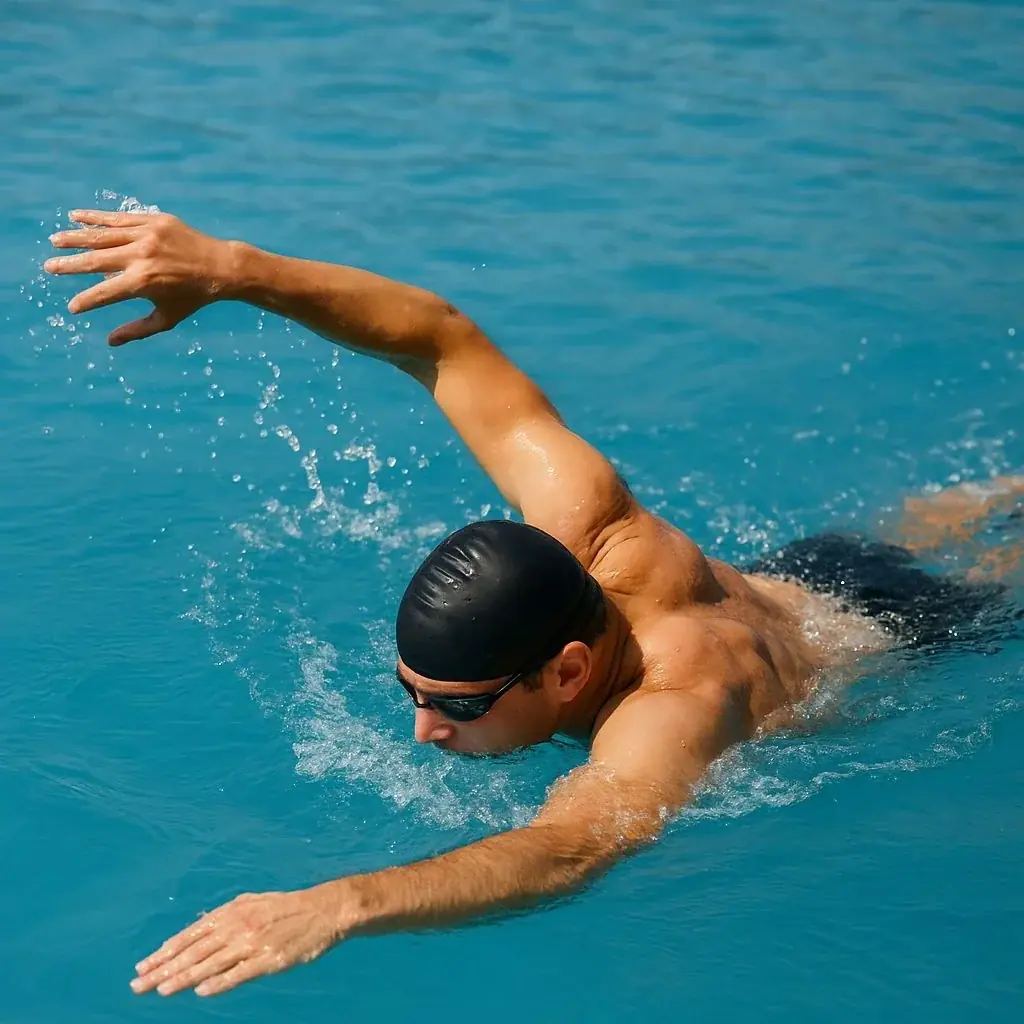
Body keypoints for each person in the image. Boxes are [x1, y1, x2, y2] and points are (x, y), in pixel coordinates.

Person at [44, 211, 1023, 998]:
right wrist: (229, 266)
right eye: (413, 692)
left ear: (567, 671)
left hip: (904, 633)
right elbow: (442, 343)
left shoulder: (670, 713)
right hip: (809, 569)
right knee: (925, 521)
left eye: (458, 704)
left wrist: (338, 904)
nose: (423, 731)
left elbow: (566, 850)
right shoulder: (581, 517)